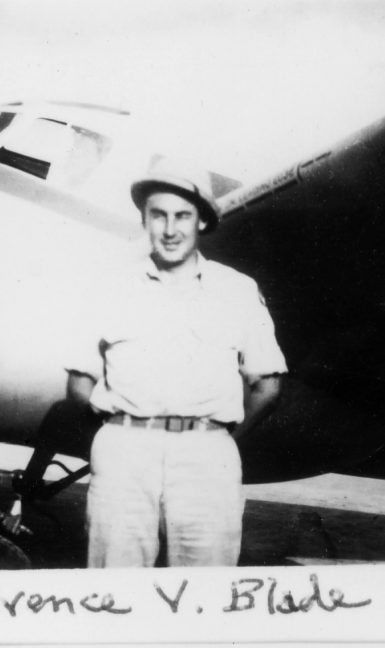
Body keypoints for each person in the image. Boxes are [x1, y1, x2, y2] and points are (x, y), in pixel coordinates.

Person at [65, 157, 287, 568]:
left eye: (182, 215)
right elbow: (79, 383)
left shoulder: (237, 290)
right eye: (158, 216)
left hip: (207, 455)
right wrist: (114, 438)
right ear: (144, 220)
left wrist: (220, 442)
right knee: (115, 588)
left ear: (201, 220)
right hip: (124, 452)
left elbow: (268, 386)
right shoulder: (108, 287)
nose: (170, 230)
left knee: (204, 592)